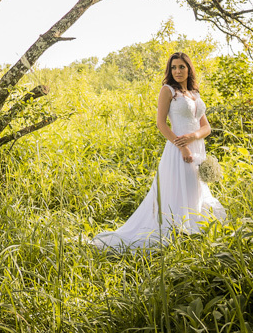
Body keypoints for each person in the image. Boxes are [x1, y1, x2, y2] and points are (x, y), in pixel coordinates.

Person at [91, 52, 226, 249]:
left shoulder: (194, 94)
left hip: (197, 148)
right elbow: (161, 124)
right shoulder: (168, 90)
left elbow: (206, 127)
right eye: (173, 67)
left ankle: (191, 230)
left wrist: (193, 136)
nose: (177, 71)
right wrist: (183, 147)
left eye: (181, 67)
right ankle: (175, 228)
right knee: (179, 188)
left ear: (189, 69)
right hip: (179, 149)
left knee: (194, 188)